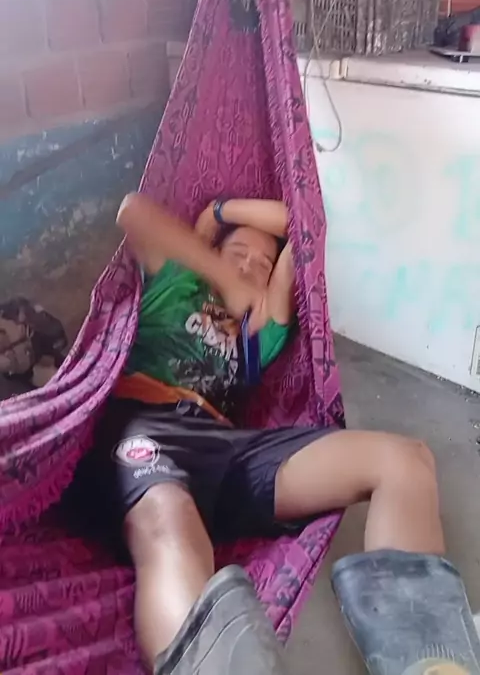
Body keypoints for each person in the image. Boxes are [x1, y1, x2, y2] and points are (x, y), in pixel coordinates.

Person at [83, 194, 480, 675]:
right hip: (150, 430)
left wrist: (224, 219)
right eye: (238, 253)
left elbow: (301, 222)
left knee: (405, 461)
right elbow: (132, 211)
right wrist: (218, 250)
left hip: (228, 449)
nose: (249, 266)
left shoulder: (261, 327)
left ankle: (428, 660)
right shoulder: (176, 280)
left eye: (262, 263)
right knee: (168, 519)